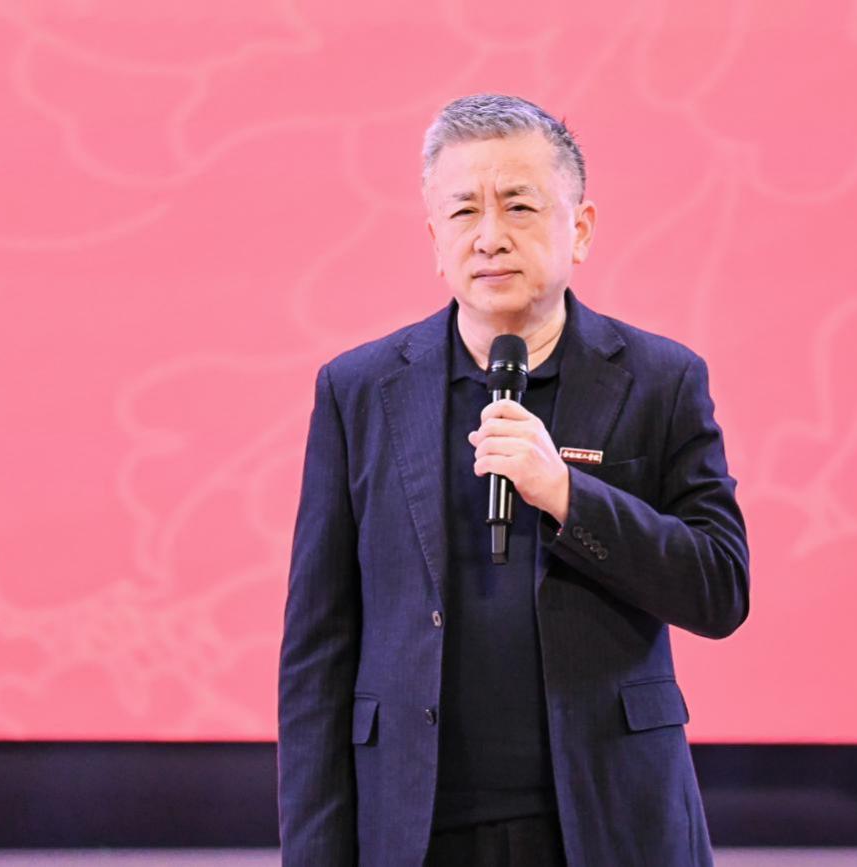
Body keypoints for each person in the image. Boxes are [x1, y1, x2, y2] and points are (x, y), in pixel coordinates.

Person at [278, 93, 750, 867]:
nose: (490, 236)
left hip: (607, 821)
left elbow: (719, 588)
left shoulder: (660, 379)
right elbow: (316, 649)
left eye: (519, 206)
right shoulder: (358, 390)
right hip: (414, 828)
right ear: (435, 239)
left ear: (581, 228)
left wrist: (566, 494)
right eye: (463, 211)